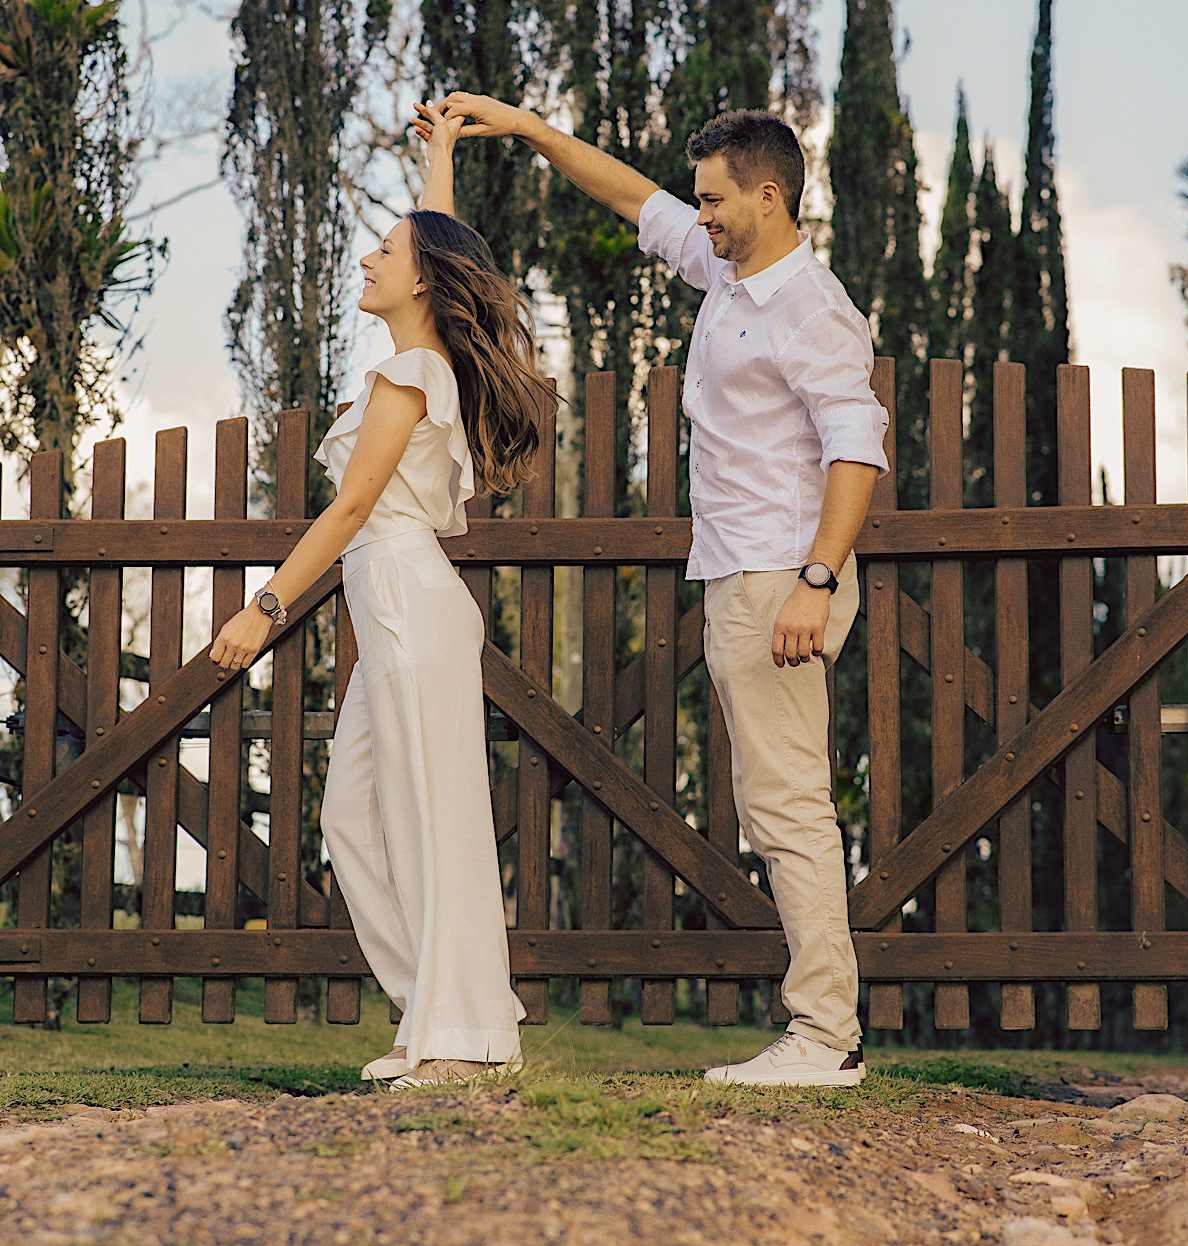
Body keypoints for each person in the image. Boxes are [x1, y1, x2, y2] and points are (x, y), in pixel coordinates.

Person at [421, 93, 888, 1088]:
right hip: (745, 575)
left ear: (770, 196)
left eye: (717, 200)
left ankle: (824, 1038)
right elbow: (634, 199)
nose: (701, 214)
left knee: (789, 808)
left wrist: (815, 580)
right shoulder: (728, 271)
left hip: (779, 578)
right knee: (773, 807)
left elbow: (858, 451)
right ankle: (824, 1031)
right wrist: (533, 131)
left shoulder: (811, 309)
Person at [210, 104, 548, 1089]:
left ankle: (467, 1036)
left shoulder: (410, 373)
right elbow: (440, 248)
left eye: (383, 251)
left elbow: (355, 504)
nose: (367, 259)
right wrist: (438, 158)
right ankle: (439, 1013)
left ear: (422, 281)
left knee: (428, 814)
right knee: (357, 819)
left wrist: (264, 607)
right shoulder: (419, 354)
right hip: (396, 605)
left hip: (405, 598)